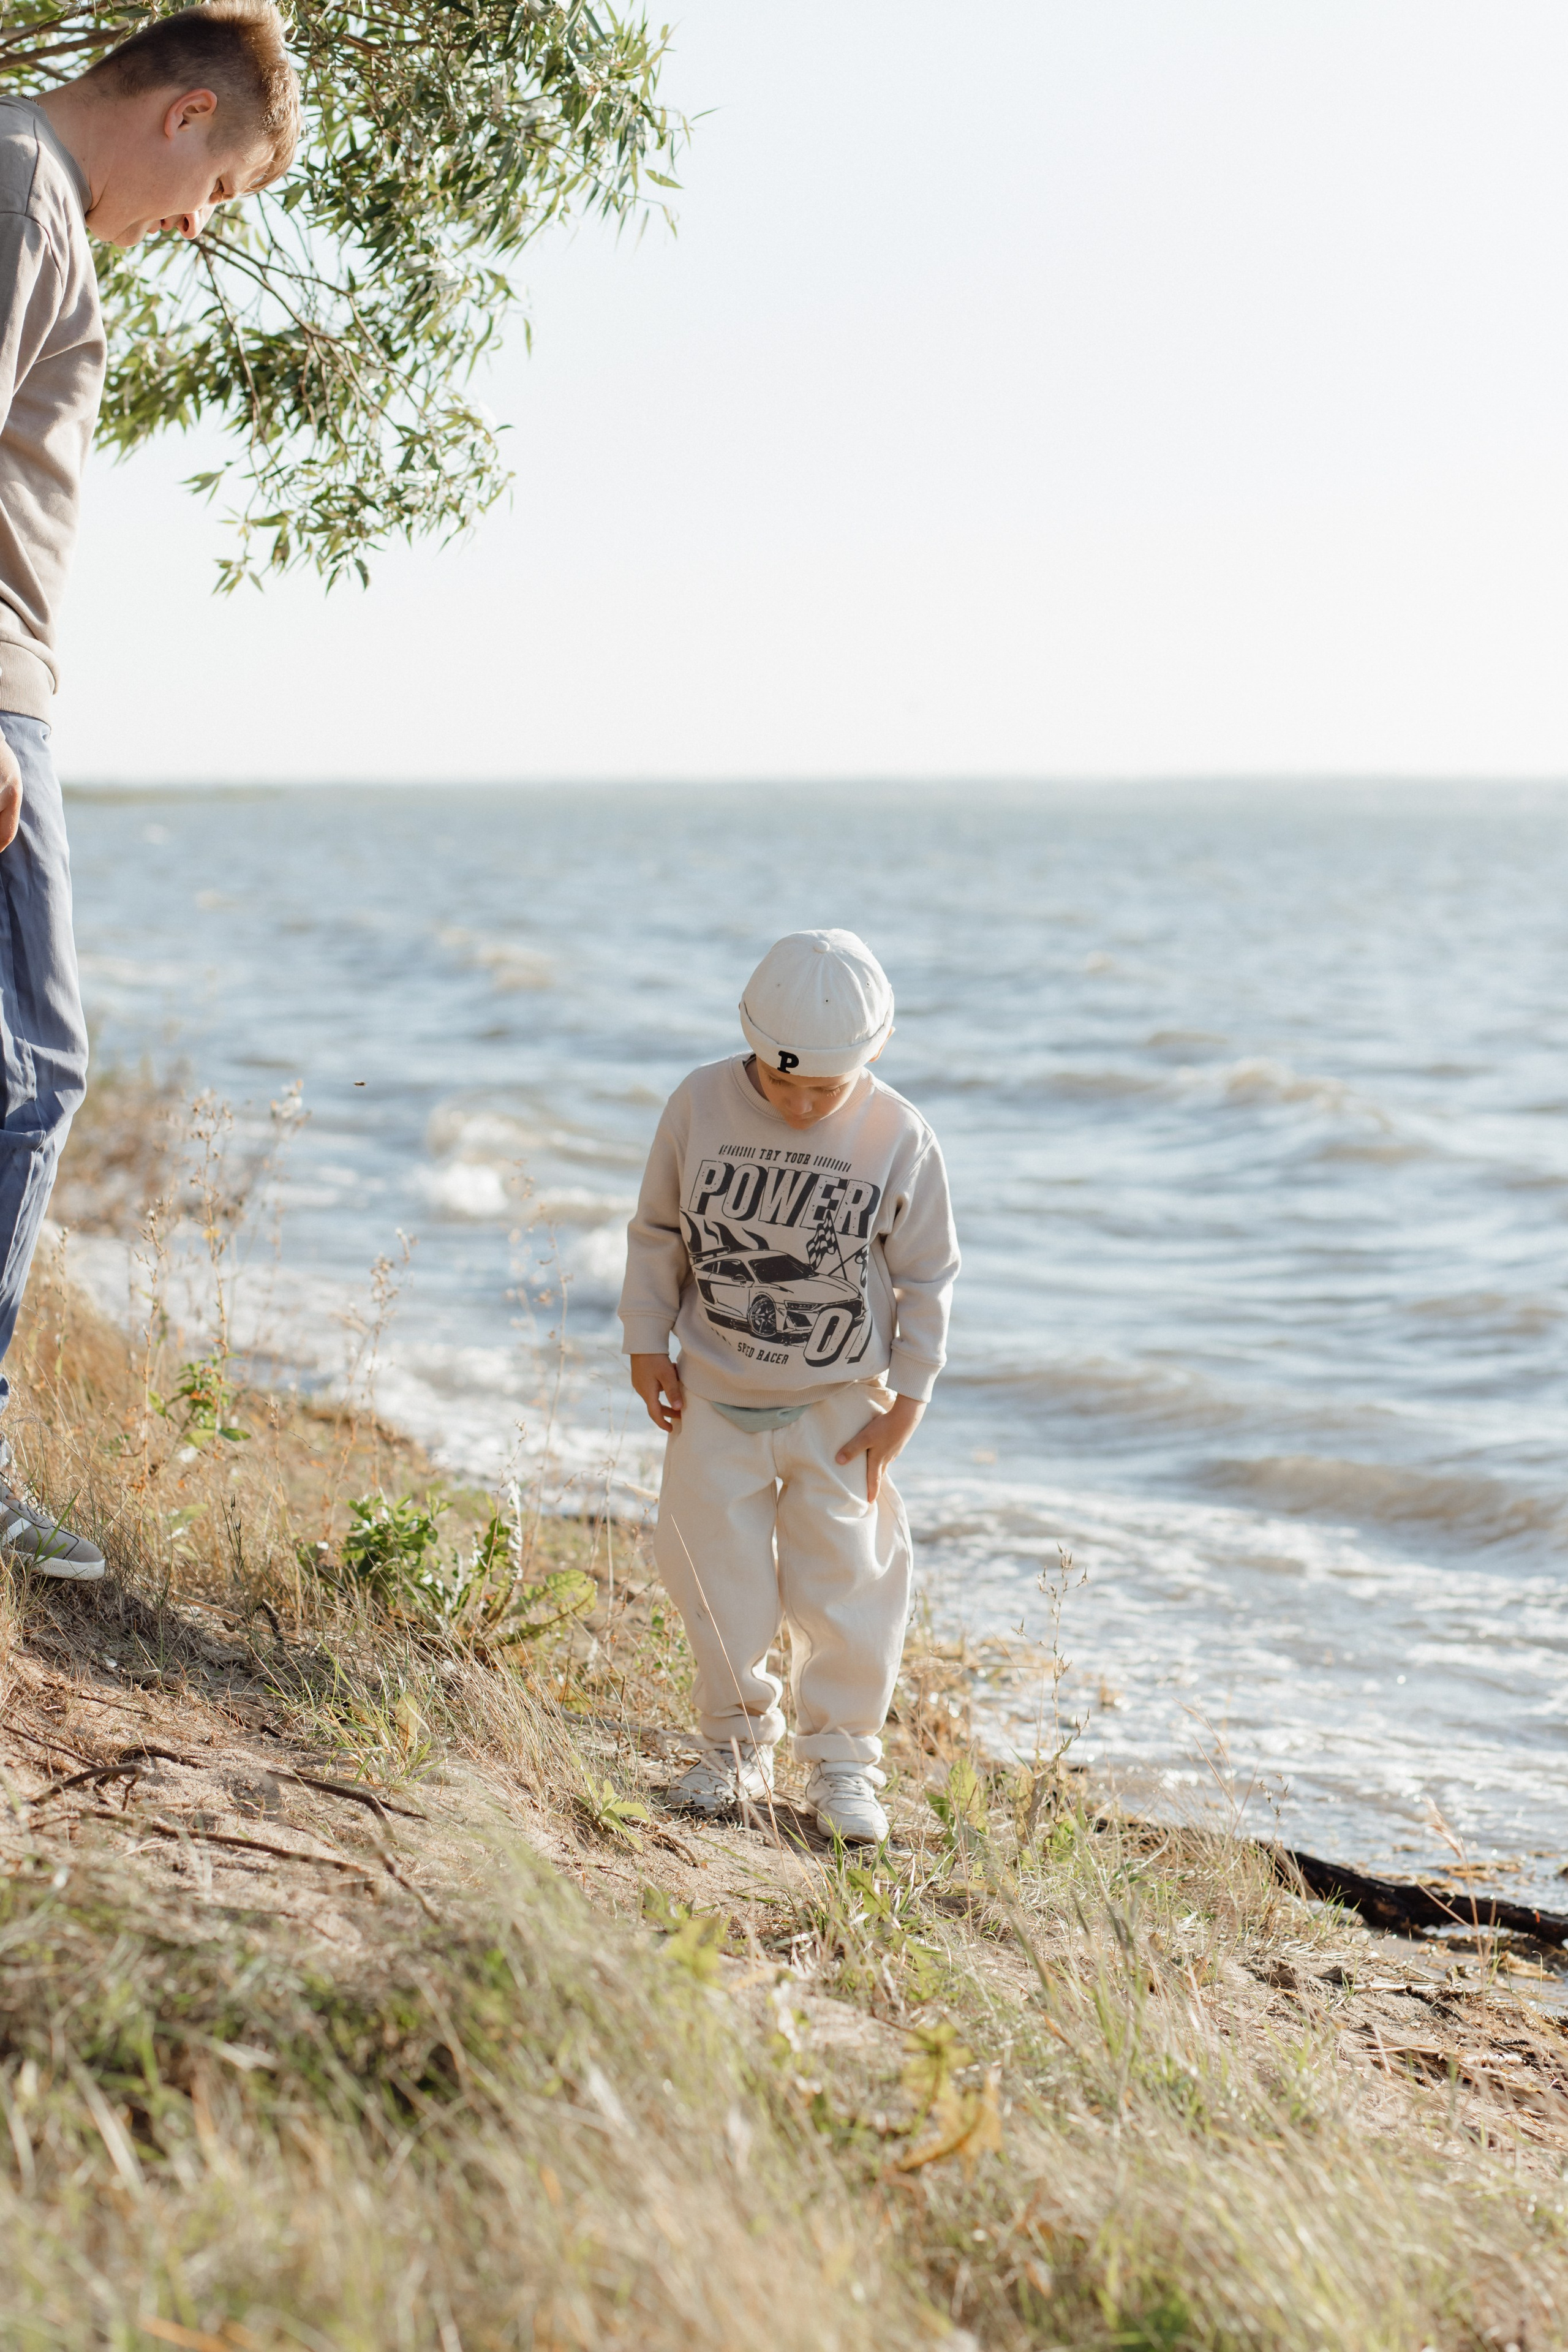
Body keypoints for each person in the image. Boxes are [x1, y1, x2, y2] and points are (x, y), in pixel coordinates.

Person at [0, 3, 298, 1577]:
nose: (197, 226)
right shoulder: (17, 184)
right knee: (33, 1072)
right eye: (222, 189)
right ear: (185, 116)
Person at [619, 929, 960, 1844]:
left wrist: (912, 1402)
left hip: (843, 1406)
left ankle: (844, 1764)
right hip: (713, 1396)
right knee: (712, 1576)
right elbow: (657, 1231)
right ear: (751, 1042)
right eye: (784, 1081)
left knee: (852, 1586)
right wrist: (645, 1340)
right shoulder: (699, 1104)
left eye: (827, 1087)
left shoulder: (900, 1137)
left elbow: (929, 1276)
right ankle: (734, 1749)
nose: (804, 1104)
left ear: (875, 1053)